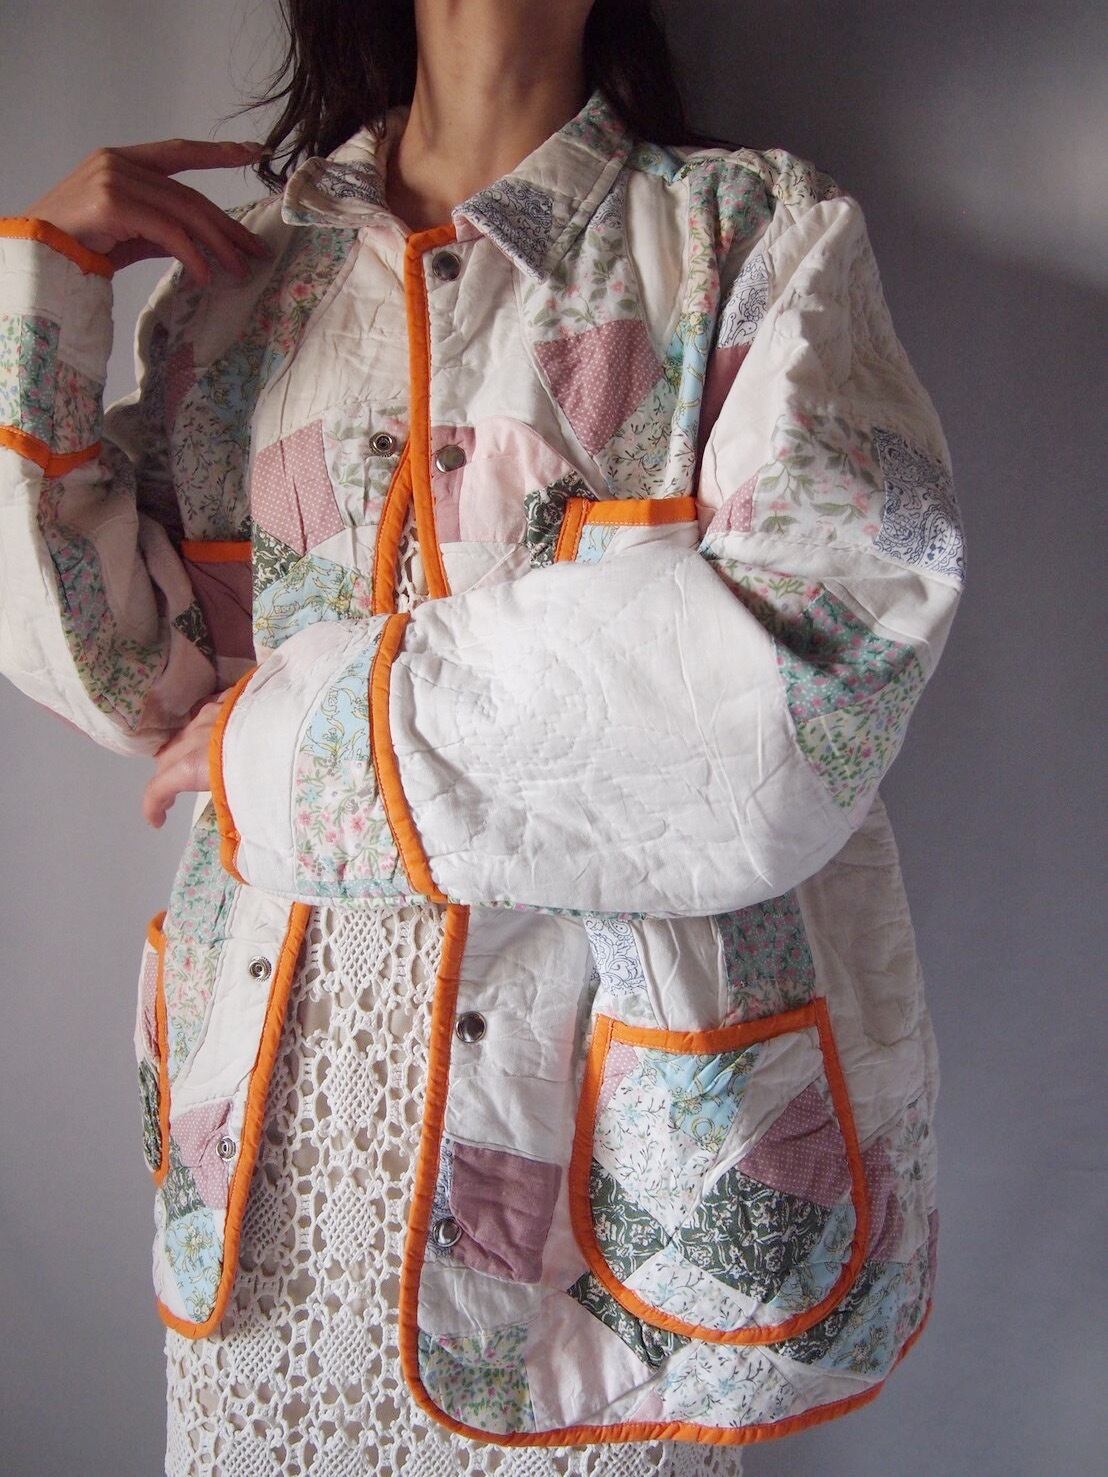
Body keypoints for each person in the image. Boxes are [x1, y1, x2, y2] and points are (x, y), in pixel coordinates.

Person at [0, 0, 966, 1471]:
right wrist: (42, 310)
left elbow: (815, 669)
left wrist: (306, 740)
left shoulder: (745, 240)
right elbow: (132, 680)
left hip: (590, 1186)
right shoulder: (240, 286)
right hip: (275, 1155)